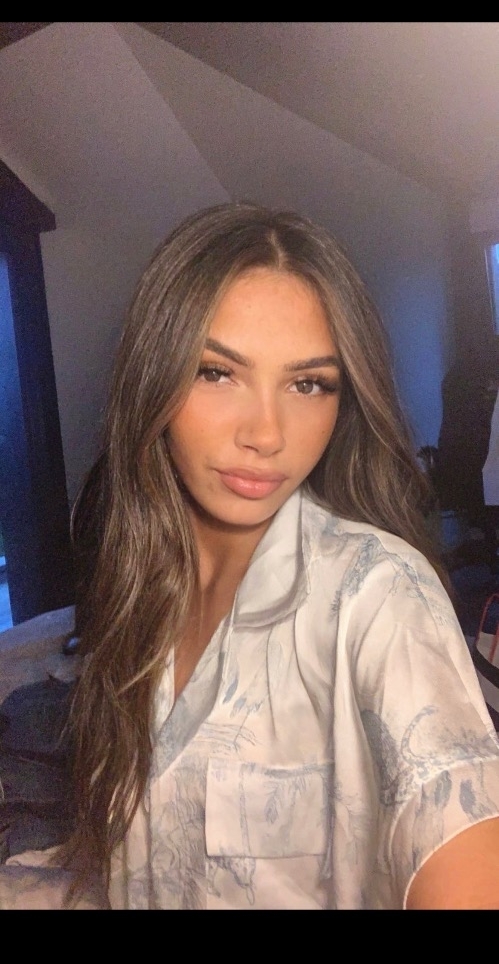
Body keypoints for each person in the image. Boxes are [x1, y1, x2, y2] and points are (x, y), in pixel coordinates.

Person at [3, 202, 499, 910]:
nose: (266, 434)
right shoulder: (141, 586)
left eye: (308, 384)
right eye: (216, 373)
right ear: (154, 380)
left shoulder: (377, 593)